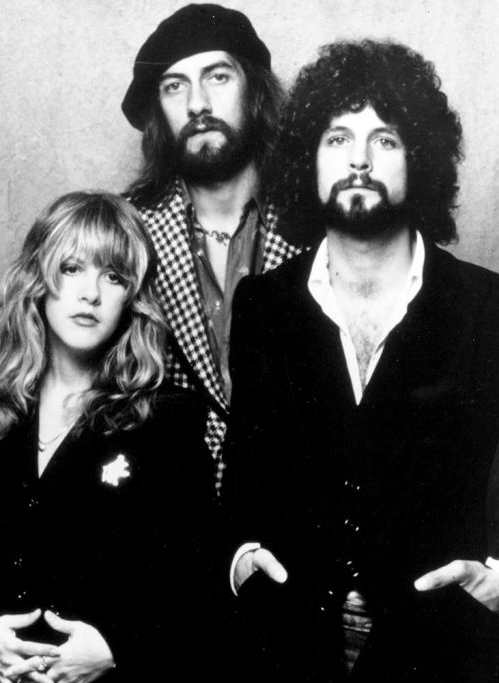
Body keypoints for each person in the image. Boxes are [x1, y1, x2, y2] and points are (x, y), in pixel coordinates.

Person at [225, 40, 499, 681]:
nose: (358, 159)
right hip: (285, 654)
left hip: (442, 656)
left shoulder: (496, 308)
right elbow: (243, 474)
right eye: (337, 138)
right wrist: (242, 558)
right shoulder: (262, 306)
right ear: (308, 160)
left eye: (384, 140)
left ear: (420, 158)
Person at [0, 192, 218, 682]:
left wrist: (116, 648)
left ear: (132, 297)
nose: (90, 293)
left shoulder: (168, 421)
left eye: (113, 276)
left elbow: (196, 584)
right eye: (72, 268)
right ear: (39, 278)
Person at [122, 4, 303, 490]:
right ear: (158, 111)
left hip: (290, 511)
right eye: (174, 86)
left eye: (218, 77)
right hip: (167, 510)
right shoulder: (126, 231)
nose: (197, 104)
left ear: (256, 91)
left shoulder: (317, 225)